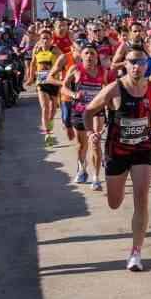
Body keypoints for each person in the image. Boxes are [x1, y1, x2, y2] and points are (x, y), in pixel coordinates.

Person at [84, 45, 151, 271]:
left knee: (142, 197)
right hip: (116, 151)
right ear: (125, 64)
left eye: (141, 62)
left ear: (146, 65)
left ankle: (136, 252)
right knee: (114, 203)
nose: (137, 66)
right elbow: (88, 111)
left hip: (142, 149)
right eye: (133, 62)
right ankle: (119, 182)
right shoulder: (114, 89)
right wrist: (90, 133)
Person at [61, 43, 112, 190]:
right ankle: (82, 168)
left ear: (97, 57)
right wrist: (74, 95)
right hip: (79, 111)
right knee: (81, 145)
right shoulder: (75, 69)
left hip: (96, 112)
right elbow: (63, 88)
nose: (89, 56)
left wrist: (108, 103)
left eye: (92, 53)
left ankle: (96, 178)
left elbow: (108, 88)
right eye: (86, 53)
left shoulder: (103, 71)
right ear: (81, 56)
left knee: (95, 142)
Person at [26, 29, 61, 146]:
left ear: (51, 39)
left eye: (47, 38)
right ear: (40, 40)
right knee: (45, 108)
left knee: (53, 109)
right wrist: (30, 78)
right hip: (41, 82)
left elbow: (63, 62)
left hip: (53, 82)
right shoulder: (37, 50)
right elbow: (32, 64)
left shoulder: (55, 50)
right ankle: (47, 134)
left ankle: (49, 124)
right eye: (43, 38)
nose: (45, 40)